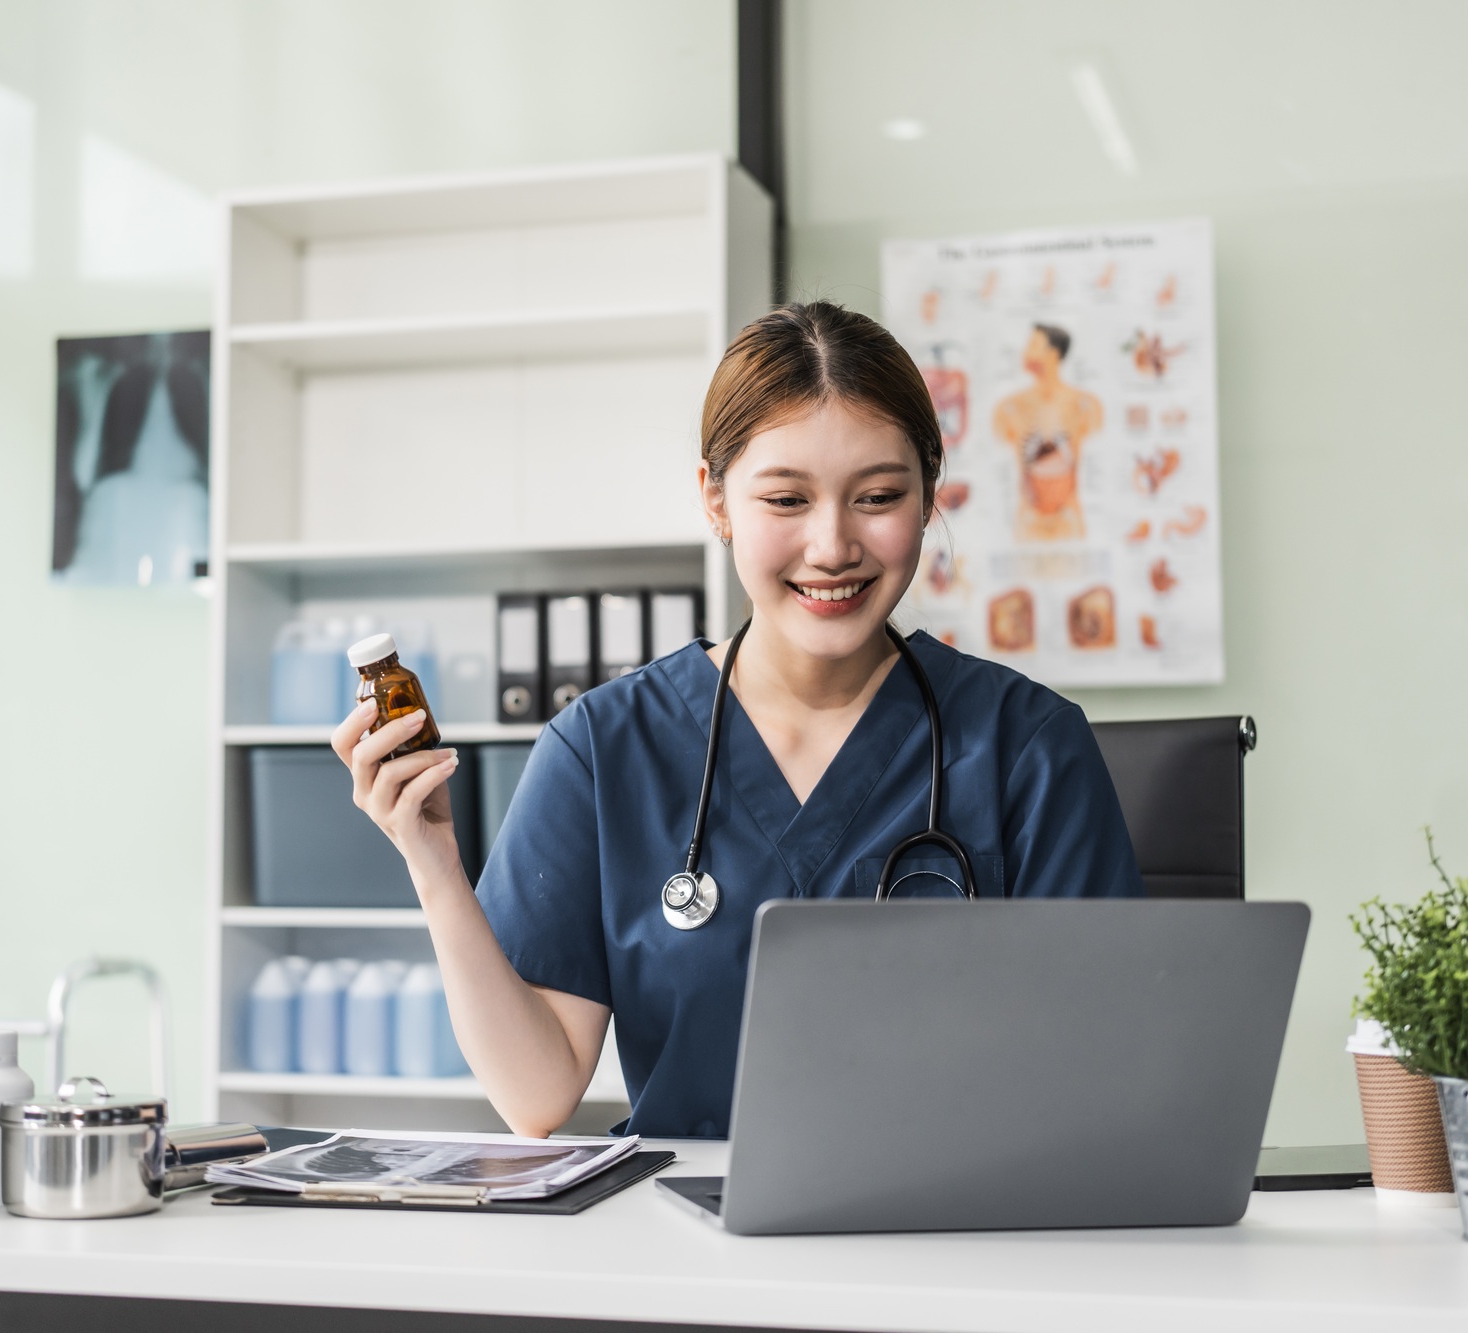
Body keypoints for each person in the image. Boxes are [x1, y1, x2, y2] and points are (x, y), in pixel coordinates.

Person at [331, 302, 1142, 1140]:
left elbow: (1104, 1068)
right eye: (786, 498)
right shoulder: (605, 748)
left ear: (930, 496)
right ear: (716, 503)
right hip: (691, 1250)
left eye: (878, 496)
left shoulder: (1029, 747)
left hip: (951, 1239)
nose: (831, 545)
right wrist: (433, 865)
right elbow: (536, 1096)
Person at [992, 323, 1104, 542]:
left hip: (1069, 521)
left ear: (1053, 354)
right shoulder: (1010, 407)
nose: (1025, 353)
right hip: (1028, 522)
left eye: (1033, 345)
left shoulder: (1085, 405)